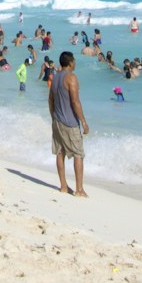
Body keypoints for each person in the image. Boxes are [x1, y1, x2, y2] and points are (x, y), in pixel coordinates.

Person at [49, 50, 88, 197]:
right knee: (78, 154)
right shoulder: (71, 78)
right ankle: (79, 189)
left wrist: (53, 116)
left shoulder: (56, 77)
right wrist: (83, 122)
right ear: (70, 62)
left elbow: (50, 99)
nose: (75, 63)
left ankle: (63, 186)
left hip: (57, 120)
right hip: (70, 122)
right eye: (74, 60)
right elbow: (75, 101)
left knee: (60, 152)